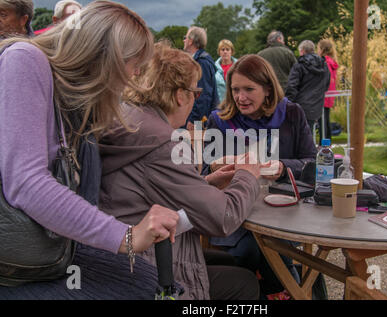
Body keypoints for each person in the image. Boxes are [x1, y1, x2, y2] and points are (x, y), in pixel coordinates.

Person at [0, 1, 180, 299]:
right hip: (13, 261)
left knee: (143, 280)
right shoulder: (24, 59)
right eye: (134, 64)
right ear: (105, 55)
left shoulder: (66, 96)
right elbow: (27, 184)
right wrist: (126, 236)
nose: (135, 76)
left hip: (42, 250)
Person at [98, 42, 261, 300]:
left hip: (121, 256)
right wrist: (247, 175)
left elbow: (153, 187)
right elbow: (224, 218)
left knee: (232, 261)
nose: (196, 99)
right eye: (195, 93)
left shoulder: (132, 120)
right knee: (245, 282)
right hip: (145, 268)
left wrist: (207, 182)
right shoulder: (163, 142)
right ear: (179, 96)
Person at [202, 54, 320, 298]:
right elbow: (203, 173)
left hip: (283, 215)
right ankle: (290, 290)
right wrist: (219, 167)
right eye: (235, 89)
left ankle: (288, 289)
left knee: (274, 249)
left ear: (268, 89)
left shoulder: (292, 115)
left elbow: (313, 164)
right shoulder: (219, 121)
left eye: (248, 89)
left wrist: (282, 167)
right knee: (255, 251)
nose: (240, 97)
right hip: (235, 219)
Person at [285, 40, 330, 140]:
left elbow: (292, 87)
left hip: (300, 106)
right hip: (316, 106)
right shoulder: (324, 65)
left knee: (298, 137)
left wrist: (286, 104)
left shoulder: (299, 66)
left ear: (302, 51)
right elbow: (326, 85)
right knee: (307, 135)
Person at [183, 26, 219, 130]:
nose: (184, 40)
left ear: (191, 41)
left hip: (201, 121)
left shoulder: (201, 62)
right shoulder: (199, 60)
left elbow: (202, 94)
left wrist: (194, 120)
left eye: (185, 37)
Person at [318, 39, 339, 143]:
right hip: (330, 94)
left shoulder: (324, 62)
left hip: (324, 93)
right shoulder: (332, 61)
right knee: (325, 119)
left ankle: (324, 144)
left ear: (321, 49)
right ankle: (327, 142)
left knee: (323, 120)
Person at [215, 39, 237, 103]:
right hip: (220, 104)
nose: (225, 52)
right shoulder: (213, 68)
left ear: (232, 52)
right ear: (219, 52)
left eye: (227, 49)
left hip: (236, 102)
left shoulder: (239, 66)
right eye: (222, 49)